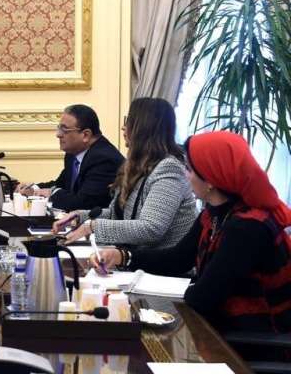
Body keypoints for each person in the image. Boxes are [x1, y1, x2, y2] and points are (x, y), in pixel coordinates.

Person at [92, 131, 291, 353]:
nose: (186, 176)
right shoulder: (214, 213)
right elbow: (178, 259)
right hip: (216, 329)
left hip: (251, 341)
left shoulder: (247, 228)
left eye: (190, 169)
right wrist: (123, 256)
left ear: (211, 180)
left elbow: (204, 297)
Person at [58, 98, 197, 248]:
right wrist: (80, 216)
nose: (123, 127)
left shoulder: (169, 168)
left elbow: (151, 228)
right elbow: (117, 214)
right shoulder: (136, 164)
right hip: (135, 256)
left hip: (162, 261)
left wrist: (92, 227)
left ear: (143, 127)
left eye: (128, 121)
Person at [18, 104, 124, 211]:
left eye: (64, 130)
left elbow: (83, 203)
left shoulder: (104, 160)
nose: (58, 134)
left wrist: (51, 194)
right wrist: (33, 189)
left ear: (86, 135)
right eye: (59, 128)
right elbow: (61, 184)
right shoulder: (73, 153)